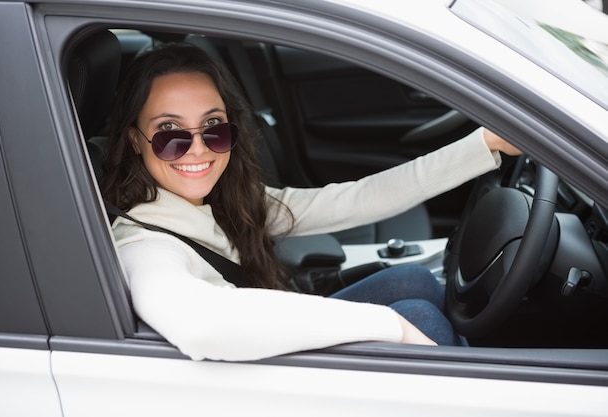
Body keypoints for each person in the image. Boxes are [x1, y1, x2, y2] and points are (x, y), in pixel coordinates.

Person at [101, 43, 520, 361]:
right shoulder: (145, 245)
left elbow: (357, 200)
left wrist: (483, 144)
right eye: (170, 132)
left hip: (262, 346)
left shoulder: (230, 203)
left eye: (213, 127)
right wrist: (391, 325)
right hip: (245, 378)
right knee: (418, 316)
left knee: (415, 281)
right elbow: (202, 325)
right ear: (136, 141)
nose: (198, 150)